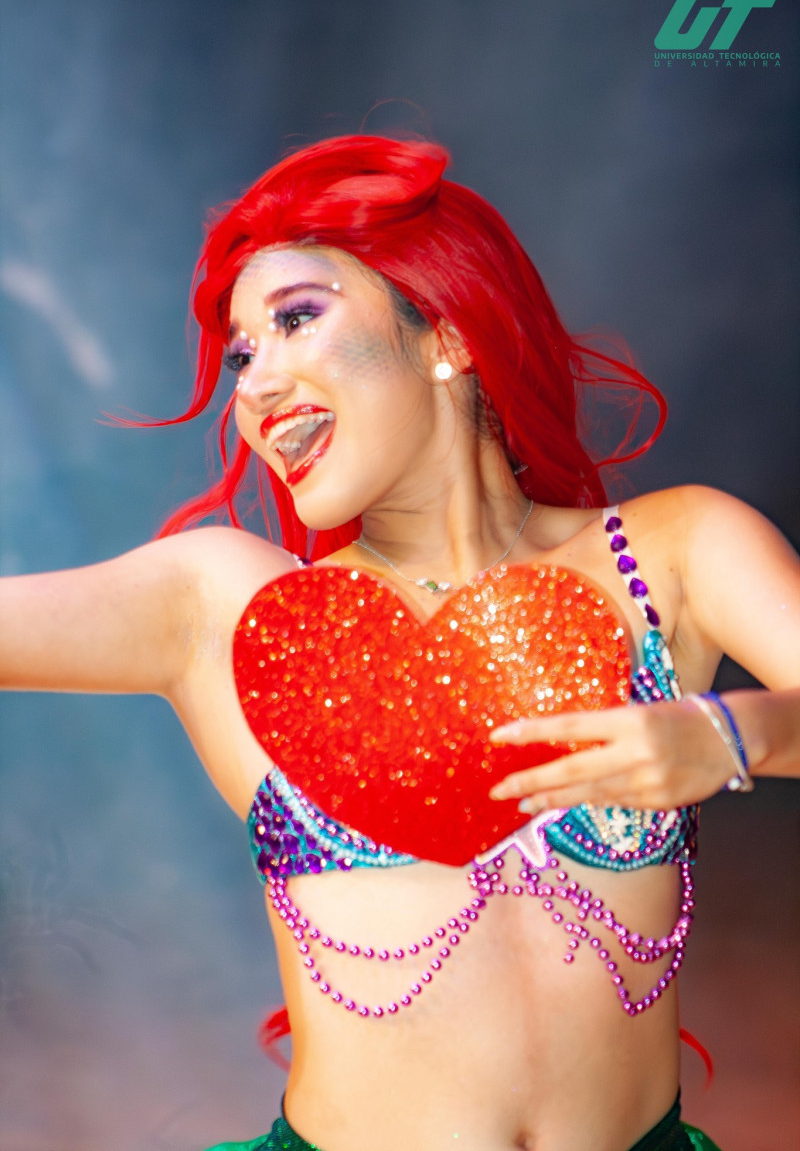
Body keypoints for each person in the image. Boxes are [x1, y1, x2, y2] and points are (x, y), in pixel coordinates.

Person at [2, 134, 798, 1151]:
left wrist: (729, 736)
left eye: (296, 319)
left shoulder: (675, 551)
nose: (255, 386)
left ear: (445, 336)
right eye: (242, 356)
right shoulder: (225, 603)